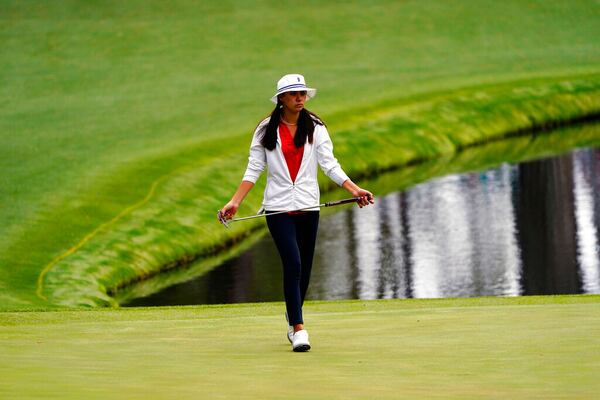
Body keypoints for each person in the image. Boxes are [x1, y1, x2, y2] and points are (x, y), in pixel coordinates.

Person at [219, 74, 374, 352]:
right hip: (278, 207)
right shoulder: (266, 129)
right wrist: (235, 202)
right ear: (281, 99)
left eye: (302, 93)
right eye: (293, 94)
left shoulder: (316, 127)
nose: (299, 98)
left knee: (304, 269)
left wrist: (354, 189)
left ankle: (292, 320)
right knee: (293, 263)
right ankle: (300, 328)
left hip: (308, 206)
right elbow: (254, 169)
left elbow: (330, 164)